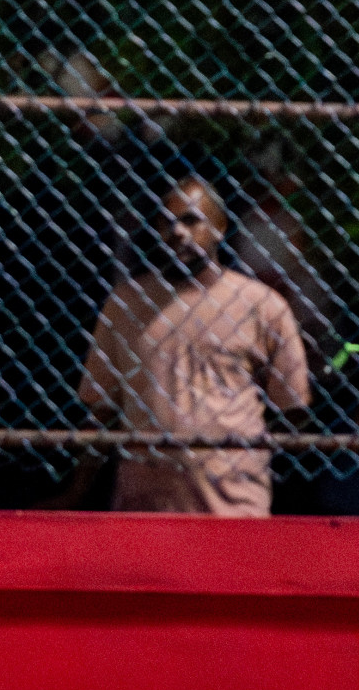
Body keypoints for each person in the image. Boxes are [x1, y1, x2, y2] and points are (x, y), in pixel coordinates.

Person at [70, 175, 311, 515]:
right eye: (166, 222)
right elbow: (102, 408)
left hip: (233, 509)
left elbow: (292, 410)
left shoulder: (262, 306)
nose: (178, 232)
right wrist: (77, 490)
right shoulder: (125, 304)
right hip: (146, 507)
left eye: (191, 220)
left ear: (219, 227)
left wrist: (236, 453)